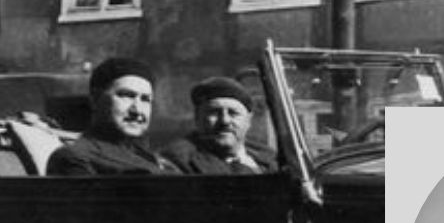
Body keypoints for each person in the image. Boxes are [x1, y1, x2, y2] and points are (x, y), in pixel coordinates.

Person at [46, 57, 175, 175]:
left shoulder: (152, 158)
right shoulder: (74, 158)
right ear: (95, 100)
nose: (137, 110)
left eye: (146, 99)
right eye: (126, 95)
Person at [162, 76, 276, 175]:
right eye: (214, 112)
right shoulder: (177, 161)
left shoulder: (270, 157)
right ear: (197, 118)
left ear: (248, 120)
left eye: (233, 113)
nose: (225, 121)